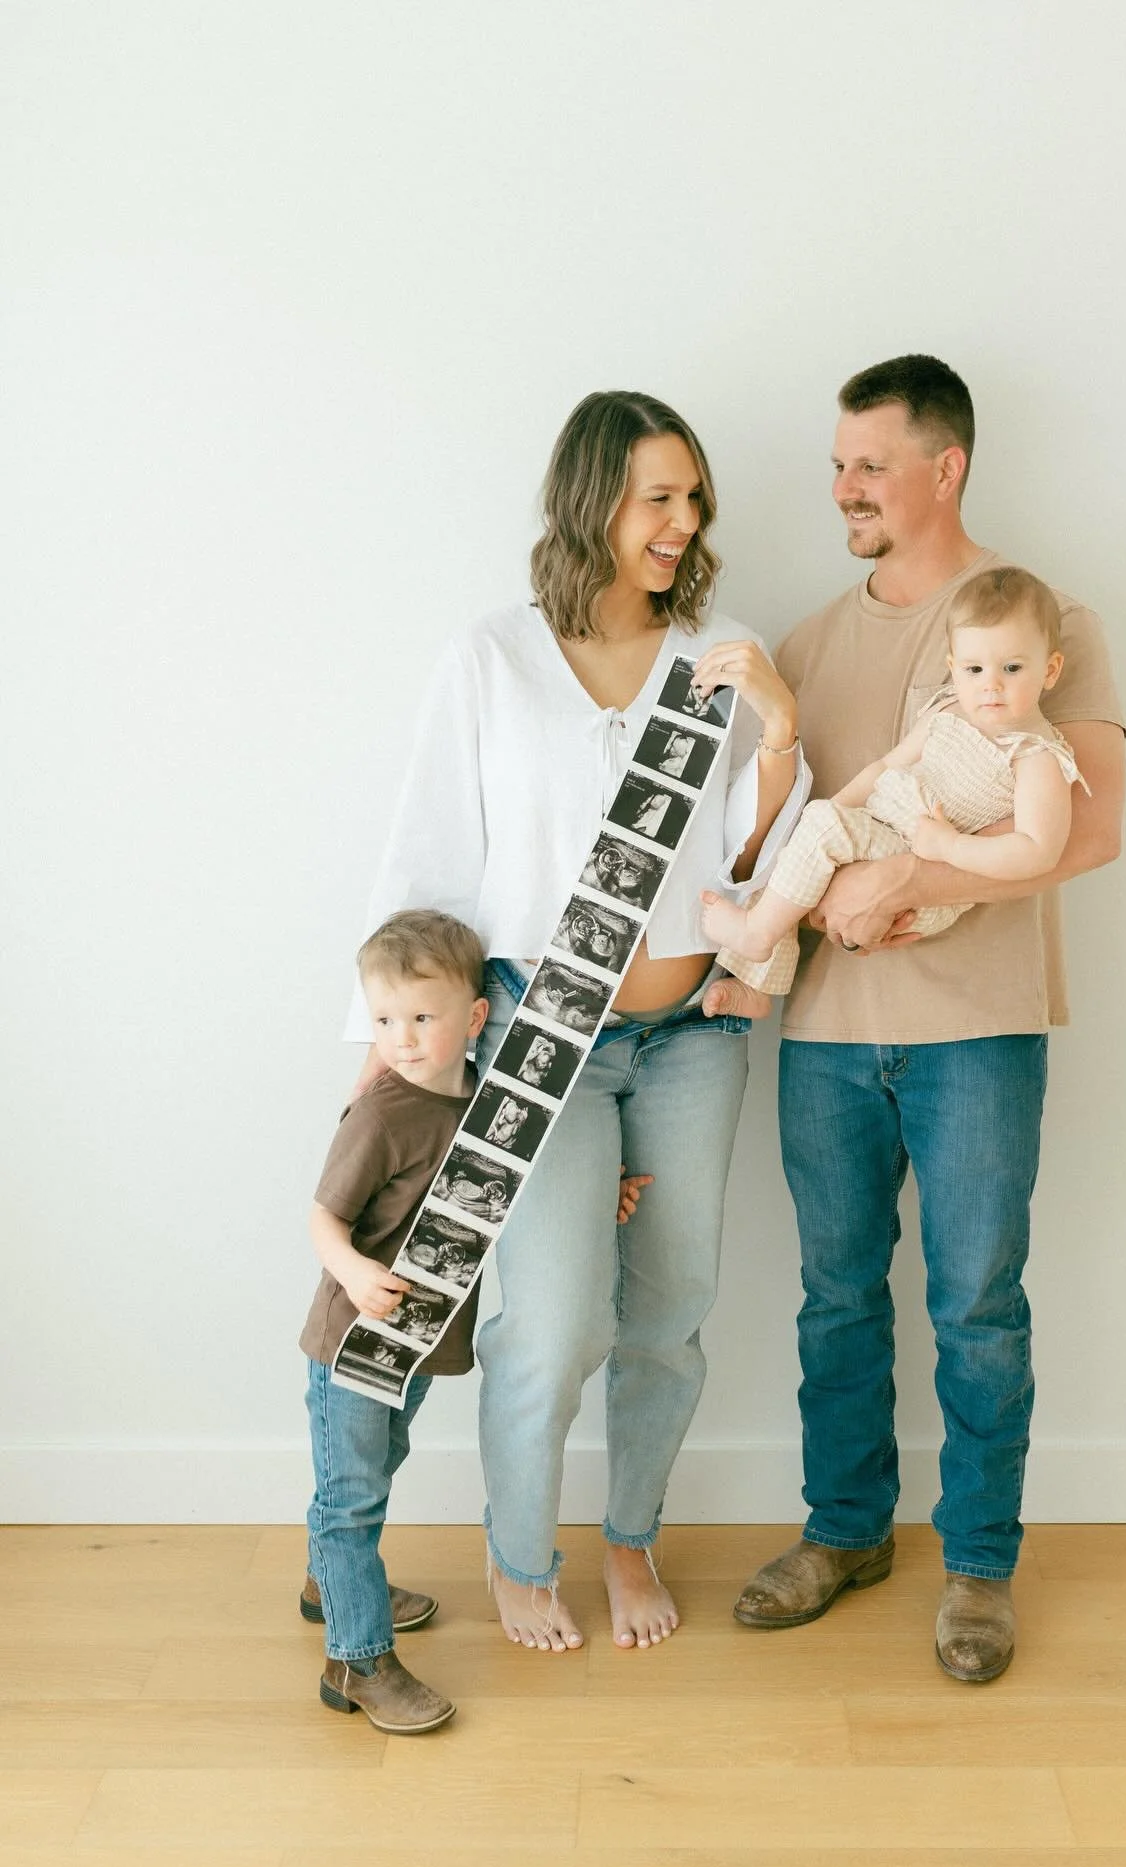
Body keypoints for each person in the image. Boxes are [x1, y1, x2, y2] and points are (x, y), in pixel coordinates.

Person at [348, 390, 807, 1652]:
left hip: (693, 1039)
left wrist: (777, 728)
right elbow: (429, 860)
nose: (683, 520)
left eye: (694, 496)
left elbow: (756, 866)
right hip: (542, 1045)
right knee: (547, 1320)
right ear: (593, 498)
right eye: (658, 495)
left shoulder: (720, 656)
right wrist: (390, 1052)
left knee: (672, 1307)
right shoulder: (491, 658)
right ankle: (519, 1549)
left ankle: (632, 1537)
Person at [730, 355, 1125, 1682]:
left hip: (979, 1030)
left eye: (868, 461)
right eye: (836, 460)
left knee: (977, 1307)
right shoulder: (805, 643)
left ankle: (978, 1567)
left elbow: (1095, 827)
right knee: (834, 1300)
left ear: (942, 467)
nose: (840, 484)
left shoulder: (1038, 617)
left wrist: (919, 877)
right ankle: (845, 1533)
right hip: (827, 1038)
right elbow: (774, 839)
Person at [701, 568, 1087, 992]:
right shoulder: (948, 711)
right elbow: (885, 767)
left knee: (818, 833)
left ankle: (756, 937)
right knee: (794, 842)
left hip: (926, 869)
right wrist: (831, 812)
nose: (990, 685)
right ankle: (756, 985)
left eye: (1012, 668)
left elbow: (1037, 851)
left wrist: (950, 846)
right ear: (953, 668)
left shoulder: (1034, 756)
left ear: (1050, 671)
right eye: (974, 669)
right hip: (882, 830)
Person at [299, 908, 490, 1734]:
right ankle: (358, 1655)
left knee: (376, 1467)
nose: (403, 1037)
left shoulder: (488, 1108)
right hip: (352, 1341)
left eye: (423, 1016)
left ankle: (329, 1583)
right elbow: (321, 1219)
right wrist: (352, 1269)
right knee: (352, 1496)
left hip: (416, 1346)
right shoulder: (379, 1112)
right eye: (384, 1020)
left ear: (475, 1016)